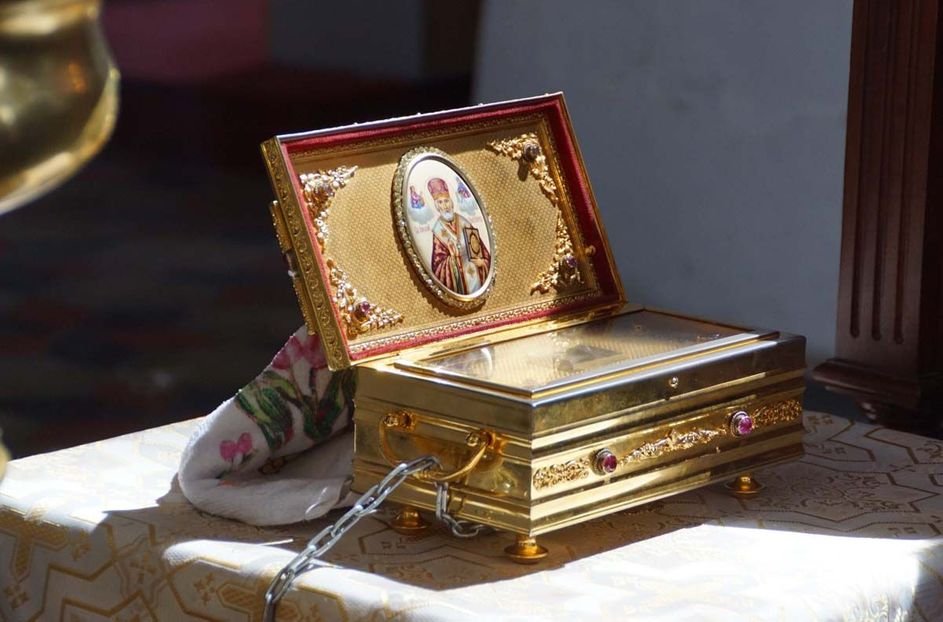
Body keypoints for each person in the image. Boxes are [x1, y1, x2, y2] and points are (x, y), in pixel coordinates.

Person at [427, 177, 490, 295]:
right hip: (459, 281)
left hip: (477, 276)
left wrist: (482, 262)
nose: (445, 206)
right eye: (440, 202)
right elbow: (438, 267)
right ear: (437, 206)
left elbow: (482, 251)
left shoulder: (464, 222)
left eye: (446, 201)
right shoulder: (437, 230)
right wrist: (453, 260)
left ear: (451, 202)